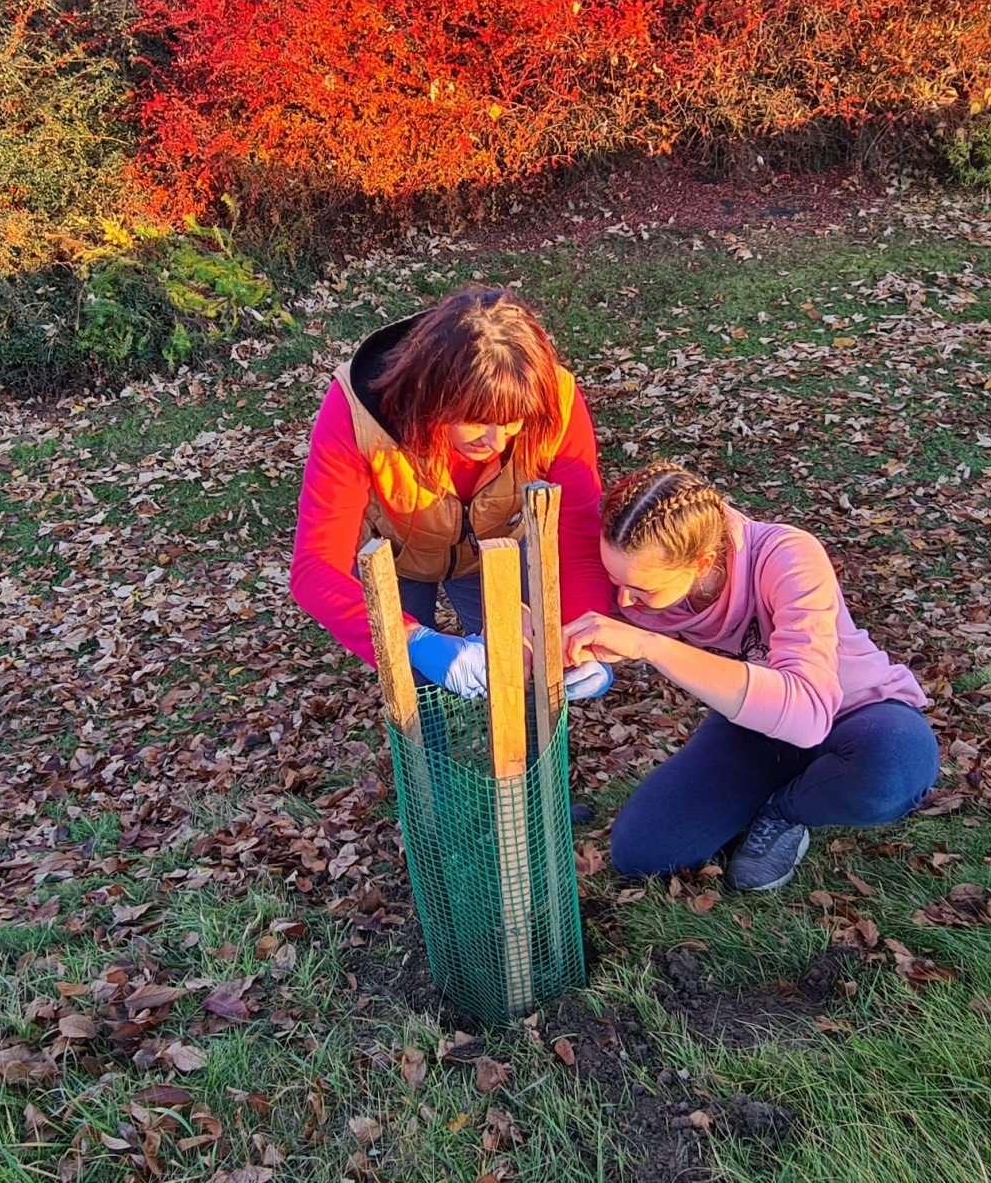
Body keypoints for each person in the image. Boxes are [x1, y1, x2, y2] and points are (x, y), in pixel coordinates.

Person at [561, 462, 939, 891]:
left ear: (703, 562)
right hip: (756, 722)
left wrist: (653, 647)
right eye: (616, 580)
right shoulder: (639, 574)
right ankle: (769, 785)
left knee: (895, 768)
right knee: (643, 854)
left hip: (857, 712)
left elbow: (809, 715)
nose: (626, 599)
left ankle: (785, 811)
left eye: (644, 590)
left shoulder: (787, 555)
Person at [292, 286, 615, 700]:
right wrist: (414, 640)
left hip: (493, 554)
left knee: (519, 673)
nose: (497, 441)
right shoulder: (357, 411)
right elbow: (316, 566)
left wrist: (582, 632)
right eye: (476, 420)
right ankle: (431, 752)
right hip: (394, 560)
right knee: (418, 687)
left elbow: (577, 537)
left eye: (513, 421)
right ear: (433, 396)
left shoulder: (555, 402)